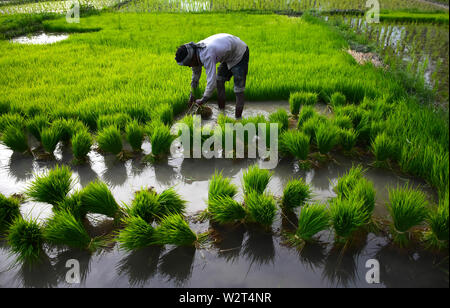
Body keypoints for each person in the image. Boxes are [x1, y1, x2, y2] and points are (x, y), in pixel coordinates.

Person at [175, 33, 249, 118]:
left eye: (188, 63)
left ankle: (238, 120)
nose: (189, 66)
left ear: (192, 58)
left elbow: (211, 81)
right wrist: (192, 94)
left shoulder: (207, 55)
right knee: (219, 82)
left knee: (238, 90)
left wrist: (204, 99)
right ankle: (222, 113)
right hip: (228, 53)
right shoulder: (196, 52)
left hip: (239, 53)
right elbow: (195, 75)